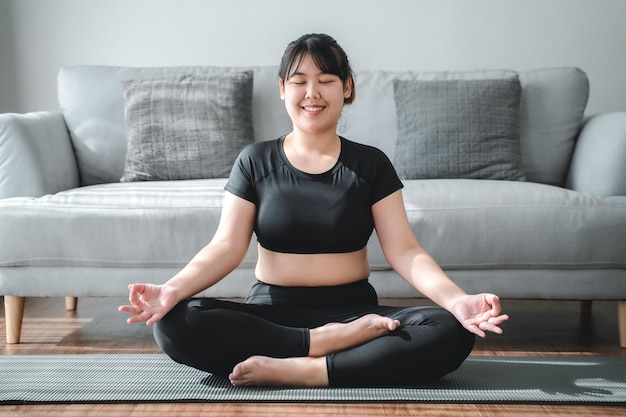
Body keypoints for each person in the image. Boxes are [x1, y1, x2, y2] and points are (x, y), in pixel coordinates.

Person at [119, 33, 509, 388]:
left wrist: (458, 300)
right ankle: (318, 347)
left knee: (450, 328)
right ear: (282, 89)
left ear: (347, 87)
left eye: (325, 80)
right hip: (272, 317)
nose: (312, 93)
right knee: (172, 323)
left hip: (355, 315)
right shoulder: (254, 161)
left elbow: (405, 251)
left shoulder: (371, 164)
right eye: (299, 81)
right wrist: (171, 290)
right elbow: (225, 247)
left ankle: (302, 369)